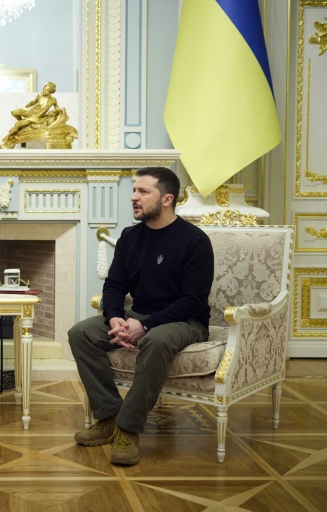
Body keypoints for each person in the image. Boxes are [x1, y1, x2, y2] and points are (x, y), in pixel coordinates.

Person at [68, 166, 214, 466]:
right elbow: (114, 285)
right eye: (134, 190)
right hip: (139, 314)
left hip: (185, 321)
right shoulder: (130, 236)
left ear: (167, 199)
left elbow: (193, 301)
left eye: (143, 191)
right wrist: (114, 318)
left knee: (156, 340)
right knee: (80, 333)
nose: (133, 197)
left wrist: (145, 325)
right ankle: (109, 417)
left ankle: (128, 428)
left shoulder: (194, 241)